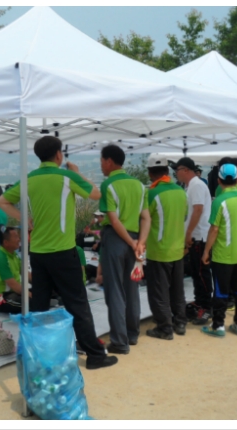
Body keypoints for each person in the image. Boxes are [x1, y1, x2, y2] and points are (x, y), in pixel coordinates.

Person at [0, 136, 117, 370]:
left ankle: (38, 357)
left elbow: (2, 201)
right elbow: (96, 194)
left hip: (38, 254)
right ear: (59, 155)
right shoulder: (67, 177)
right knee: (77, 305)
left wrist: (25, 220)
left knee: (40, 306)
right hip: (63, 252)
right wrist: (77, 173)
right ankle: (95, 356)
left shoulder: (29, 179)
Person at [98, 145, 151, 354]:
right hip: (136, 239)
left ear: (109, 161)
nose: (101, 165)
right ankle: (132, 334)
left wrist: (130, 242)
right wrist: (140, 243)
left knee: (115, 291)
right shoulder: (139, 185)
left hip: (116, 239)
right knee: (132, 288)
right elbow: (146, 218)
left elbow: (114, 220)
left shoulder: (108, 185)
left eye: (102, 161)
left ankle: (119, 342)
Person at [201, 164, 237, 337]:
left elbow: (214, 229)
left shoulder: (219, 201)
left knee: (221, 292)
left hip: (223, 255)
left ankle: (218, 325)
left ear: (218, 180)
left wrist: (206, 251)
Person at [144, 153, 188, 340]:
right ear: (167, 171)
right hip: (178, 248)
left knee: (158, 292)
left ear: (150, 173)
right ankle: (180, 322)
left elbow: (144, 220)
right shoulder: (180, 191)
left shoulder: (151, 194)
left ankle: (164, 328)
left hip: (158, 250)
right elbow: (184, 216)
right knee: (177, 289)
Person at [173, 157, 213, 326]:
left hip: (199, 236)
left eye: (177, 170)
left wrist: (189, 233)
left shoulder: (196, 185)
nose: (176, 173)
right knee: (196, 272)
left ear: (186, 170)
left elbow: (198, 209)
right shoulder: (192, 186)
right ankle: (200, 301)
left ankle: (206, 306)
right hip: (196, 235)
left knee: (202, 273)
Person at [0, 227, 31, 314]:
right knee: (32, 303)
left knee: (42, 292)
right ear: (6, 243)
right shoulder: (0, 257)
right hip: (0, 298)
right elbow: (13, 284)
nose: (19, 239)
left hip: (14, 294)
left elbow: (26, 274)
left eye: (18, 236)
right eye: (15, 237)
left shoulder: (14, 255)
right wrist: (30, 295)